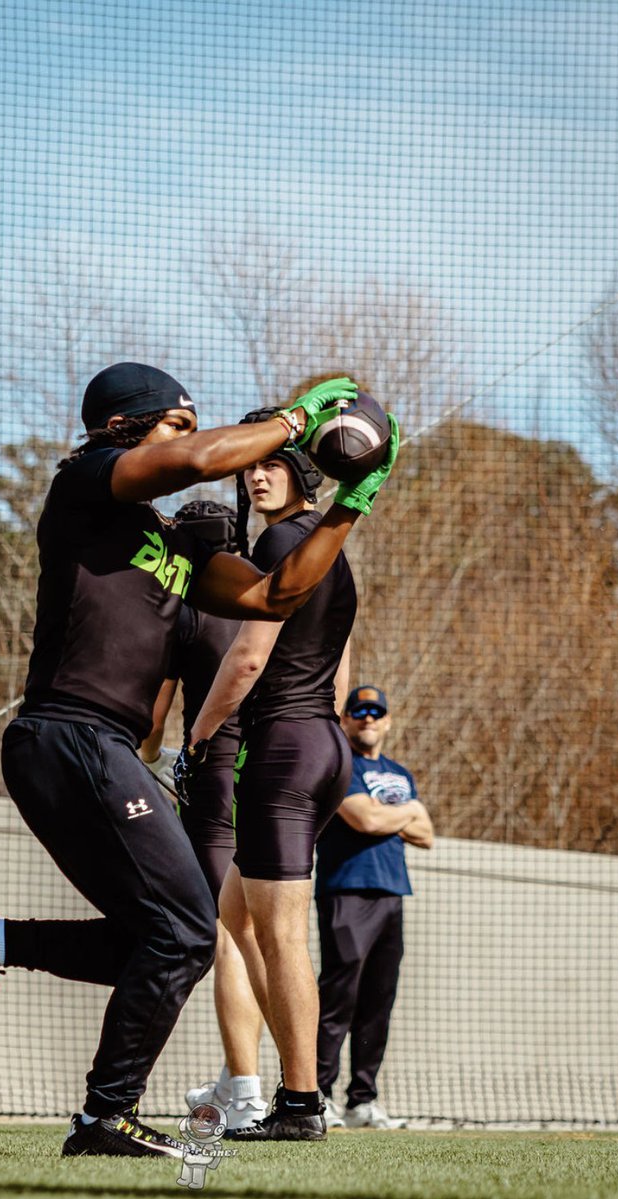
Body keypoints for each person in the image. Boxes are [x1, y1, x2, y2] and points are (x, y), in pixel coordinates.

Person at [0, 362, 395, 1159]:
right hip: (66, 734)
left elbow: (275, 597)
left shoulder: (163, 539)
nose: (197, 440)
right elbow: (204, 461)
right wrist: (293, 420)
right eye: (180, 423)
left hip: (98, 749)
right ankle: (103, 1119)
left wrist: (351, 504)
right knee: (183, 932)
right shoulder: (86, 482)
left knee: (167, 938)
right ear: (123, 428)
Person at [176, 403, 398, 1142]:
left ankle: (301, 1104)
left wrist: (199, 738)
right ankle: (291, 1089)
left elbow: (247, 658)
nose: (255, 473)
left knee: (280, 935)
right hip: (320, 745)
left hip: (283, 749)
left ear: (306, 473)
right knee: (237, 917)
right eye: (249, 466)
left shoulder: (279, 546)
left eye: (270, 463)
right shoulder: (322, 547)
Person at [140, 500, 268, 1132]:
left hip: (215, 775)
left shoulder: (184, 611)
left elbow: (151, 725)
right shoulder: (276, 591)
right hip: (280, 771)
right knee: (268, 930)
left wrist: (157, 762)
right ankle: (240, 1078)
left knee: (227, 935)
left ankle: (246, 1093)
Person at [315, 685, 434, 1131]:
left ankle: (362, 1100)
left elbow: (428, 835)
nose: (367, 718)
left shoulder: (399, 773)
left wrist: (399, 815)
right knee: (337, 998)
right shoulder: (336, 765)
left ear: (387, 720)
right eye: (359, 711)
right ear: (345, 719)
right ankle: (317, 1095)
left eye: (376, 712)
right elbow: (365, 819)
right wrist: (407, 813)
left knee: (378, 1002)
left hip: (392, 895)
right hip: (345, 891)